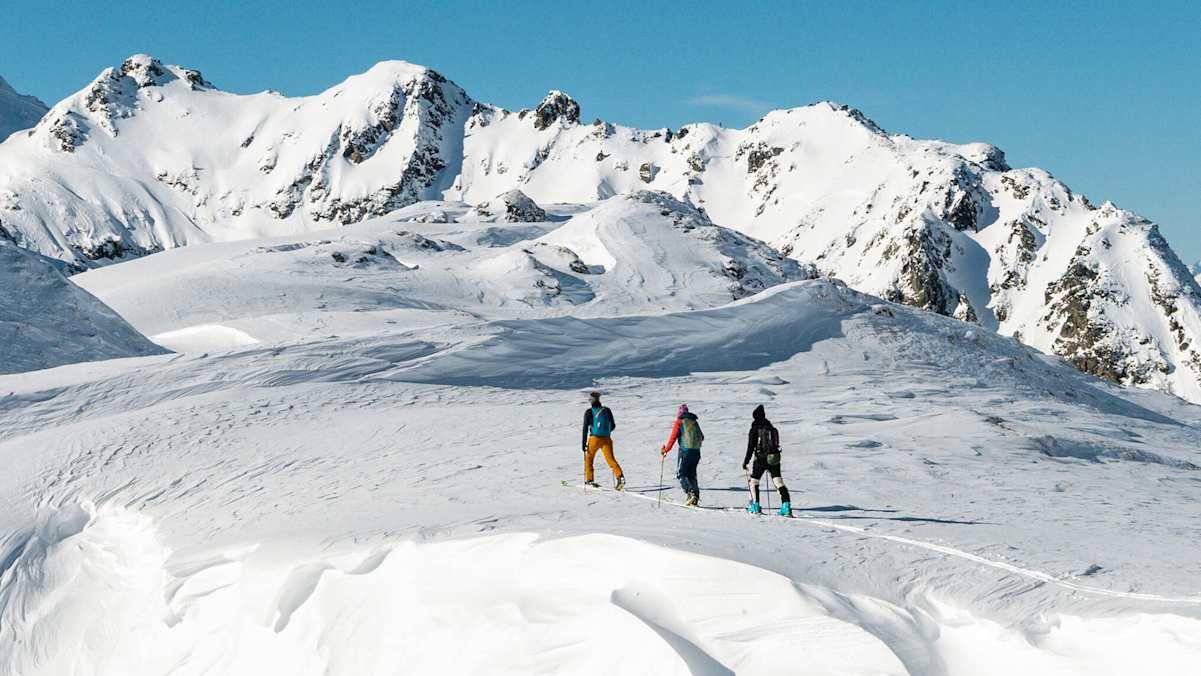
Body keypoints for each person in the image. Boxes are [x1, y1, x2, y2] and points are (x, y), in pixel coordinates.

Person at [743, 404, 792, 516]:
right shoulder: (771, 428)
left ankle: (755, 506)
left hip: (760, 459)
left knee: (754, 481)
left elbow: (751, 447)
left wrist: (746, 461)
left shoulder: (755, 428)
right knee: (778, 482)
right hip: (774, 458)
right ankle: (786, 506)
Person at [660, 404, 704, 506]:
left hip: (685, 451)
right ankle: (695, 497)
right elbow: (702, 437)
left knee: (681, 473)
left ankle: (690, 492)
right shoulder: (694, 422)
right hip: (697, 452)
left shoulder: (679, 422)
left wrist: (665, 450)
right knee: (691, 475)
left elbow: (673, 438)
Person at [582, 391, 625, 490]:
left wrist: (583, 443)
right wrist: (606, 432)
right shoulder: (607, 410)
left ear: (591, 401)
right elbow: (613, 425)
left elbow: (585, 428)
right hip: (607, 439)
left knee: (589, 458)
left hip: (594, 439)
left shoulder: (589, 412)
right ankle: (620, 477)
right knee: (611, 460)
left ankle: (589, 480)